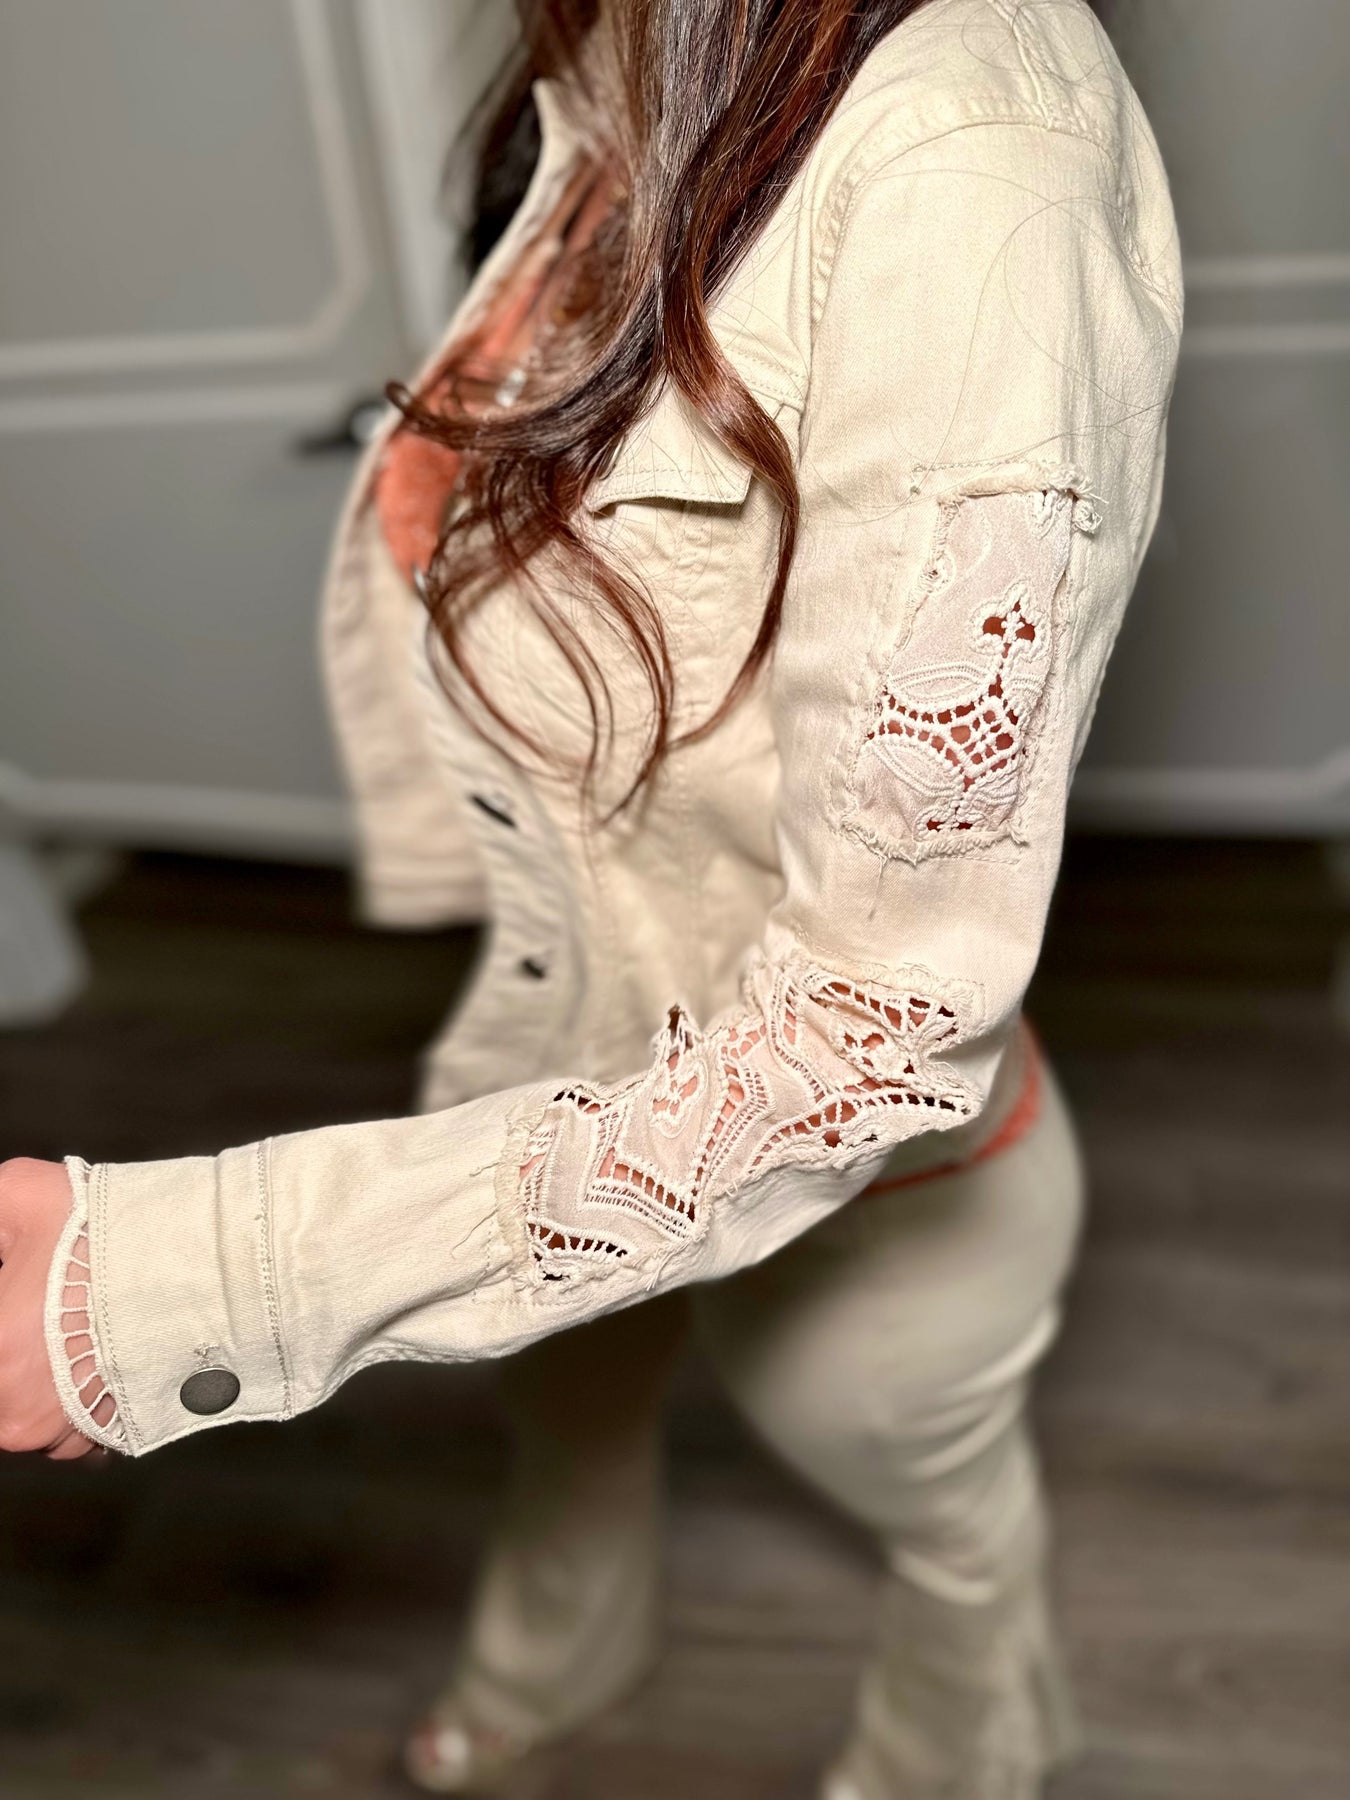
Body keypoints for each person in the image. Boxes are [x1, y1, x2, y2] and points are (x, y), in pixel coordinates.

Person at [0, 1, 1181, 1793]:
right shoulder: (625, 48)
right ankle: (560, 1641)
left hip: (871, 1195)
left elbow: (872, 1029)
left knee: (947, 1534)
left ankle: (962, 1743)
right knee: (560, 1419)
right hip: (567, 1050)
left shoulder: (967, 164)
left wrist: (170, 1285)